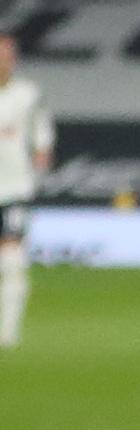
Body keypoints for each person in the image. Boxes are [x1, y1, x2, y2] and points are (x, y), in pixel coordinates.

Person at [0, 34, 55, 350]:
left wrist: (42, 152)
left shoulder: (27, 94)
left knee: (12, 260)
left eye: (7, 55)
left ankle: (8, 333)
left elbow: (42, 129)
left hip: (13, 189)